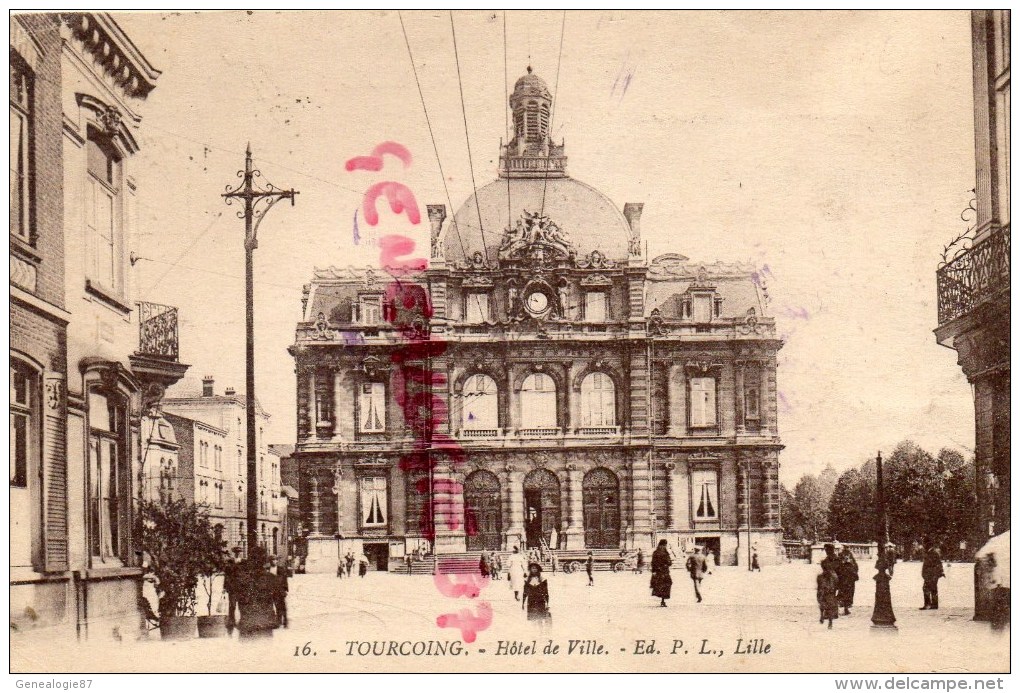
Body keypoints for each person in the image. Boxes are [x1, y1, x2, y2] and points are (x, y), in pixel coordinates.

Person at [236, 547, 278, 639]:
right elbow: (278, 602)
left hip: (247, 623)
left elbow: (238, 600)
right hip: (265, 623)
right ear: (264, 561)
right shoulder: (271, 578)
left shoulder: (242, 579)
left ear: (250, 559)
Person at [522, 562, 551, 628]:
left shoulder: (543, 580)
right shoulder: (527, 580)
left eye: (536, 568)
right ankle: (534, 632)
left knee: (540, 618)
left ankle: (541, 632)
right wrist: (523, 603)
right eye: (533, 568)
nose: (534, 570)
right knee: (533, 618)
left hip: (540, 600)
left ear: (538, 569)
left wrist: (547, 602)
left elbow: (546, 592)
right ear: (530, 570)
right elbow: (525, 592)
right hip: (531, 600)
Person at [920, 540, 945, 610]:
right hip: (931, 574)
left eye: (925, 545)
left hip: (931, 574)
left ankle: (928, 604)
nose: (924, 546)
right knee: (933, 589)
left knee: (926, 588)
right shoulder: (932, 552)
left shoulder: (933, 553)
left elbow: (937, 563)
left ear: (928, 545)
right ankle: (934, 605)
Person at [223, 547, 243, 634]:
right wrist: (225, 587)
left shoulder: (243, 563)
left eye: (239, 552)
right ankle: (232, 622)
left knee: (242, 605)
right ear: (234, 553)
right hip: (232, 587)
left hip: (242, 587)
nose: (237, 553)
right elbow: (226, 576)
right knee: (232, 605)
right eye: (236, 552)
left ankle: (242, 621)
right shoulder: (230, 563)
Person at [836, 547, 859, 616]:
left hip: (846, 579)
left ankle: (844, 608)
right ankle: (845, 608)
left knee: (844, 593)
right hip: (847, 579)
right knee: (846, 593)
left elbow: (855, 567)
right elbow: (856, 567)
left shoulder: (844, 557)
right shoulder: (848, 557)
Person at [650, 539, 673, 607]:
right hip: (664, 571)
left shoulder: (655, 552)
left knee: (660, 584)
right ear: (664, 545)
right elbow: (669, 563)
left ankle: (662, 599)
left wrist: (654, 571)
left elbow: (653, 563)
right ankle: (663, 600)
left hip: (658, 571)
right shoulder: (665, 553)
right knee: (667, 583)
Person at [269, 556, 289, 628]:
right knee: (276, 606)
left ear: (277, 561)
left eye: (274, 560)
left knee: (283, 606)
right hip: (272, 591)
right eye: (272, 560)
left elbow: (284, 580)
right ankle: (278, 621)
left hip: (280, 591)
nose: (273, 561)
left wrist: (285, 589)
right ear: (270, 561)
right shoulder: (268, 570)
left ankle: (285, 621)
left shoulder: (281, 569)